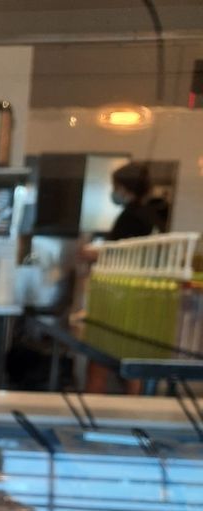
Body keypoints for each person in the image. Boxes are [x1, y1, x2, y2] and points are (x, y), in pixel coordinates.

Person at [82, 162, 159, 393]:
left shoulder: (131, 217)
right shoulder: (151, 216)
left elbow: (120, 254)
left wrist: (93, 252)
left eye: (116, 186)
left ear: (125, 188)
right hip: (140, 302)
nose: (113, 191)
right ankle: (131, 420)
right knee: (133, 368)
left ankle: (91, 420)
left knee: (98, 366)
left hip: (121, 301)